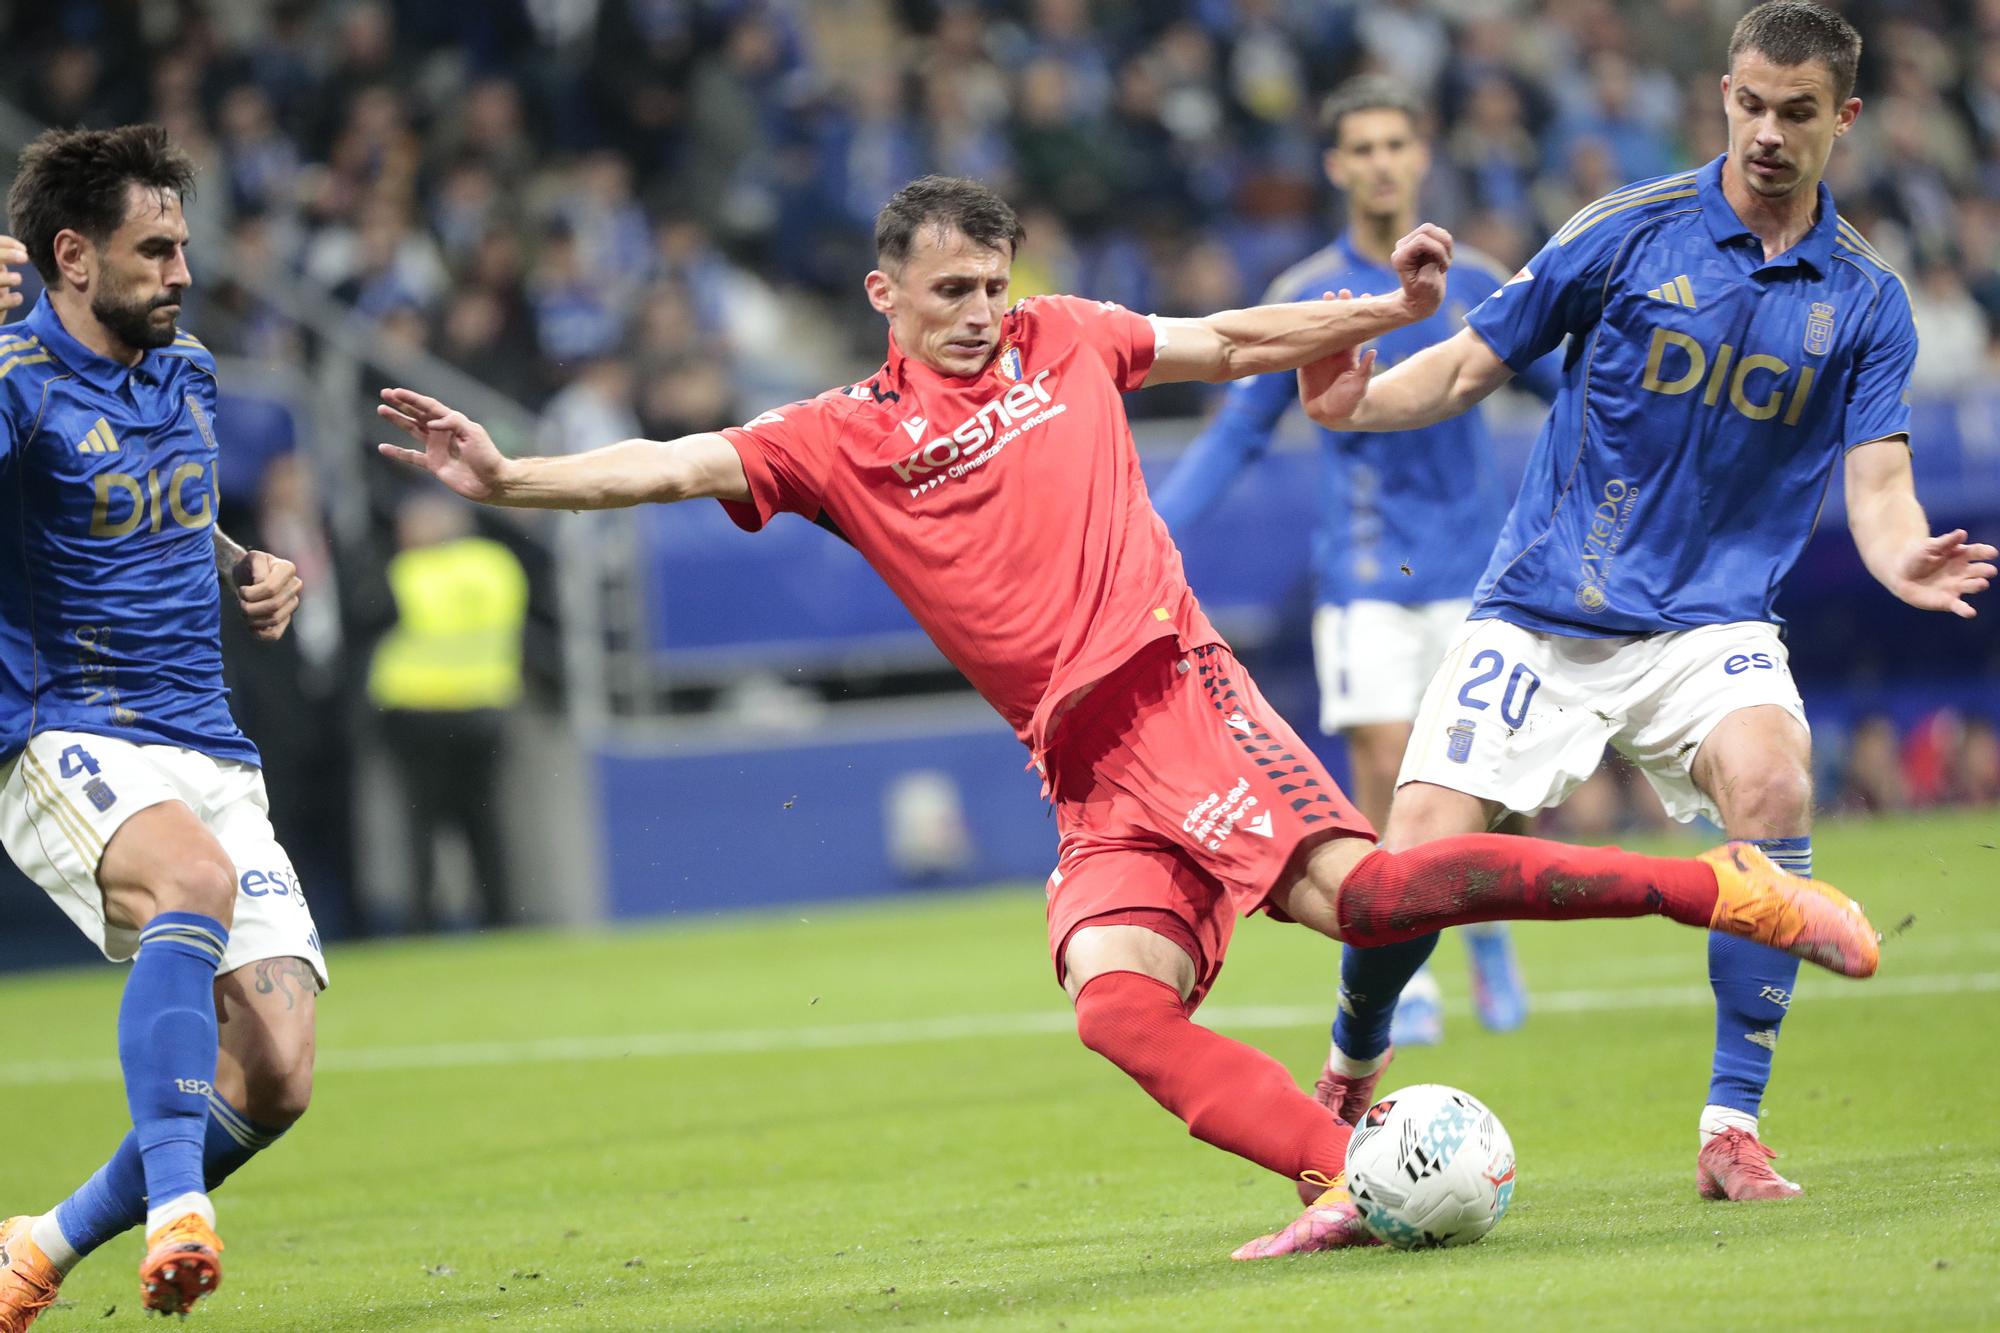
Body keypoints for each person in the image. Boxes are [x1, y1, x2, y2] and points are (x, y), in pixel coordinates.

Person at [377, 173, 1879, 1258]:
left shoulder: (1066, 339)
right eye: (951, 292)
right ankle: (1340, 1172)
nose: (981, 314)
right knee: (1114, 1003)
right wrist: (510, 478)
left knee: (1370, 903)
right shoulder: (836, 437)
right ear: (884, 295)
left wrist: (1388, 308)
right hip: (1082, 767)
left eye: (994, 285)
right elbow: (671, 462)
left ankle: (1721, 889)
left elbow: (1224, 339)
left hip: (1174, 686)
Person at [1293, 1, 1993, 1204]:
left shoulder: (1865, 299)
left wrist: (1898, 558)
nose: (1766, 132)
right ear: (1722, 94)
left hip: (1709, 623)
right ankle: (1352, 1065)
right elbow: (1469, 362)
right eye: (1749, 104)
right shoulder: (1624, 230)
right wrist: (1358, 403)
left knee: (1770, 780)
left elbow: (1878, 481)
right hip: (1542, 609)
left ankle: (1731, 1125)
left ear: (1843, 118)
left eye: (1795, 112)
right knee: (1406, 872)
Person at [1152, 75, 1562, 1068]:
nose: (1381, 163)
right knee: (1383, 751)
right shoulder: (1307, 296)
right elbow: (1238, 429)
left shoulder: (1482, 284)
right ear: (1336, 166)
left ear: (1421, 155)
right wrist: (1152, 532)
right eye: (1362, 148)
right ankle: (1406, 966)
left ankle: (1483, 926)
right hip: (1364, 573)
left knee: (1477, 776)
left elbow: (1571, 385)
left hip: (1477, 571)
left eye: (1395, 144)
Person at [0, 126, 327, 1328]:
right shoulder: (14, 380)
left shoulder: (185, 368)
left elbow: (163, 511)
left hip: (204, 731)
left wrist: (248, 565)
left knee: (279, 1070)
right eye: (154, 250)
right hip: (64, 722)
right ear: (72, 257)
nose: (182, 272)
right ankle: (179, 1210)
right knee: (189, 882)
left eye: (182, 246)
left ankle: (37, 1245)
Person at [368, 492, 529, 930]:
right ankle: (500, 916)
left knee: (421, 826)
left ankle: (422, 922)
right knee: (486, 821)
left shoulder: (407, 571)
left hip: (418, 709)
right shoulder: (497, 564)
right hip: (486, 705)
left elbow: (376, 621)